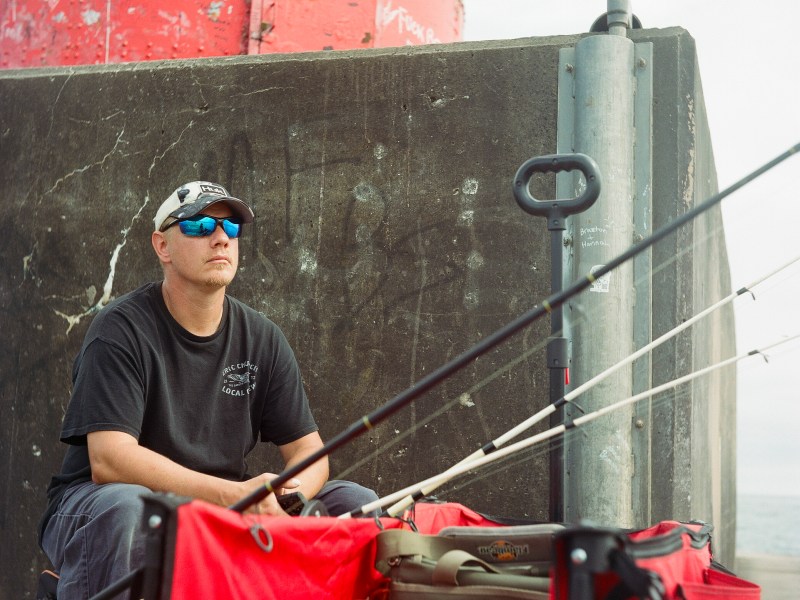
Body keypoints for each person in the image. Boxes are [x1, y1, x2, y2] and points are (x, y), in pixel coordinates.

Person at [38, 181, 378, 599]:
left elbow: (309, 452)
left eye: (231, 228)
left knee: (356, 503)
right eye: (200, 225)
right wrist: (233, 494)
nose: (220, 237)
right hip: (101, 504)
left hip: (226, 501)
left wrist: (287, 497)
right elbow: (110, 460)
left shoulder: (263, 338)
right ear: (162, 246)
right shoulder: (119, 329)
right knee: (129, 509)